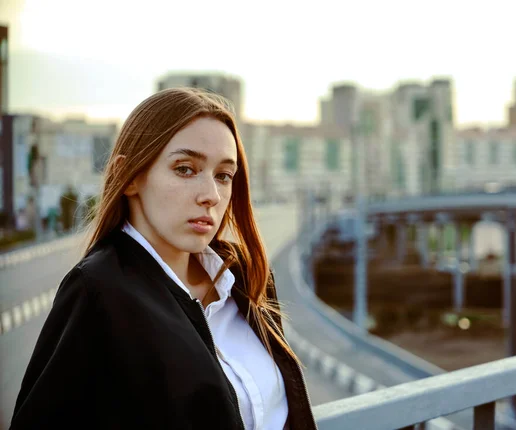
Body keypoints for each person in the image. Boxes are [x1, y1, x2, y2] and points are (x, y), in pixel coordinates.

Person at [10, 88, 317, 430]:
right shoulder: (98, 291)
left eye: (223, 175)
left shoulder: (244, 277)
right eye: (185, 169)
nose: (211, 196)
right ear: (131, 177)